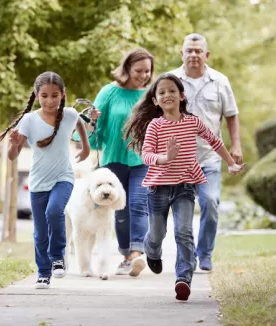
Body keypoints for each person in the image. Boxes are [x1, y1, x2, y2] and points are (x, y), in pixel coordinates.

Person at [123, 73, 244, 301]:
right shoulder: (155, 126)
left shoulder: (192, 122)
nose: (167, 95)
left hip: (185, 187)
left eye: (172, 91)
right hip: (158, 188)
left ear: (181, 95)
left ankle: (183, 279)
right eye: (162, 92)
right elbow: (147, 154)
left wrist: (230, 164)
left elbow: (214, 140)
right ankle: (152, 251)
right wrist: (165, 157)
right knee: (156, 234)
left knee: (184, 232)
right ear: (155, 101)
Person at [0, 71, 91, 289]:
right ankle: (43, 273)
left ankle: (58, 257)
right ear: (37, 95)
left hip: (63, 177)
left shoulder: (69, 114)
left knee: (54, 211)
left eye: (55, 95)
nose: (50, 101)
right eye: (45, 95)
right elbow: (12, 156)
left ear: (63, 94)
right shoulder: (29, 120)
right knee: (39, 233)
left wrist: (86, 148)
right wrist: (13, 144)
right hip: (38, 182)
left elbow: (80, 124)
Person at [169, 33, 243, 271]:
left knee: (210, 202)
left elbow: (231, 114)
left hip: (210, 157)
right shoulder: (171, 81)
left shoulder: (220, 81)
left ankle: (205, 252)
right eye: (189, 50)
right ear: (182, 54)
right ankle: (186, 258)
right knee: (182, 214)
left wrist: (236, 145)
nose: (193, 55)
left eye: (198, 51)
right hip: (179, 160)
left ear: (206, 55)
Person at [82, 48, 155, 277]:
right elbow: (96, 132)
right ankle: (126, 255)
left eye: (147, 71)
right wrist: (91, 123)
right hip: (114, 159)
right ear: (127, 68)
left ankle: (136, 254)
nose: (143, 75)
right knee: (121, 211)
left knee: (138, 205)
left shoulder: (150, 95)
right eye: (138, 70)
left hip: (143, 159)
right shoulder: (109, 92)